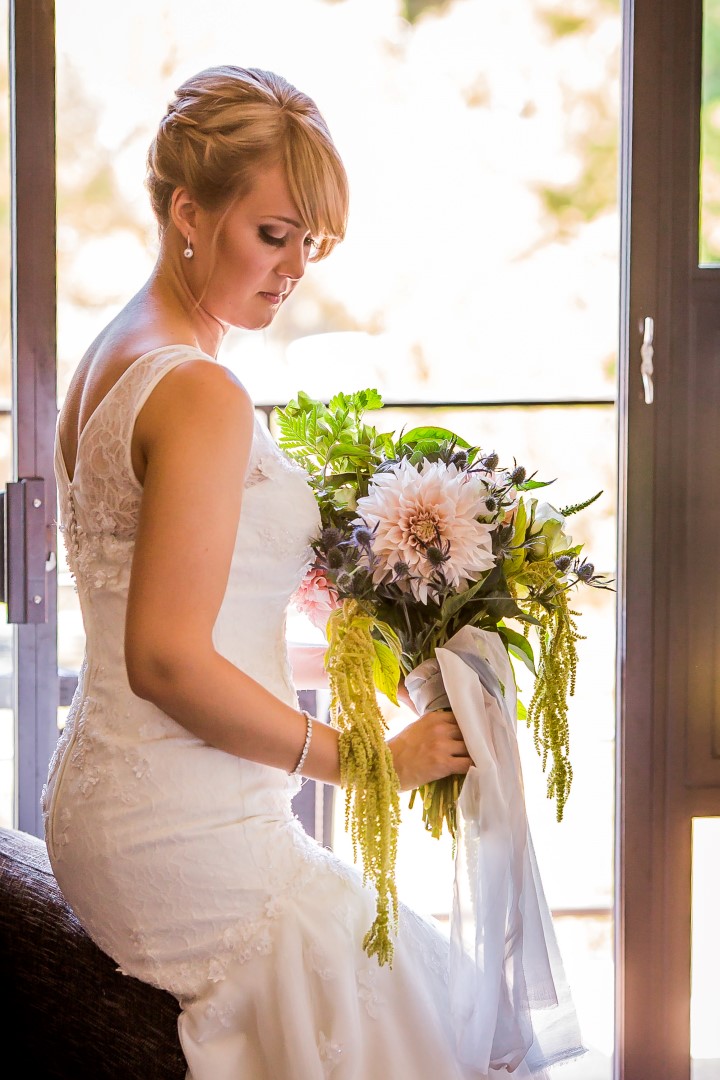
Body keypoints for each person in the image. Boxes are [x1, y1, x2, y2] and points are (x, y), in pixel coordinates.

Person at [43, 65, 578, 1080]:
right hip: (182, 825)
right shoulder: (197, 389)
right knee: (409, 996)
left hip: (114, 802)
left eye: (310, 243)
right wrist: (370, 761)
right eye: (272, 234)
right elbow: (163, 657)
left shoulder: (116, 353)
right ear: (188, 212)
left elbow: (176, 593)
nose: (293, 270)